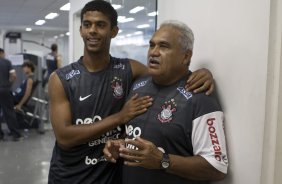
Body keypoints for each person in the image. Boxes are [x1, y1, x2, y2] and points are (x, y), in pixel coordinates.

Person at [47, 1, 214, 184]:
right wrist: (120, 117)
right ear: (80, 30)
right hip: (70, 177)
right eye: (87, 25)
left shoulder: (130, 69)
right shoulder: (61, 78)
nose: (92, 30)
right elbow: (64, 137)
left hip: (112, 176)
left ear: (114, 31)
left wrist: (202, 73)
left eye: (100, 25)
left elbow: (168, 74)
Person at [104, 20, 228, 184]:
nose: (153, 52)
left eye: (163, 46)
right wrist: (121, 144)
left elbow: (217, 167)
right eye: (151, 45)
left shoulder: (200, 98)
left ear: (186, 56)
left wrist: (162, 160)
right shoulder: (139, 86)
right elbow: (138, 134)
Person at [0, 48, 22, 141]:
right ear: (2, 53)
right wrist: (9, 84)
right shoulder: (7, 62)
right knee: (9, 112)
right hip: (5, 89)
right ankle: (16, 134)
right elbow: (14, 76)